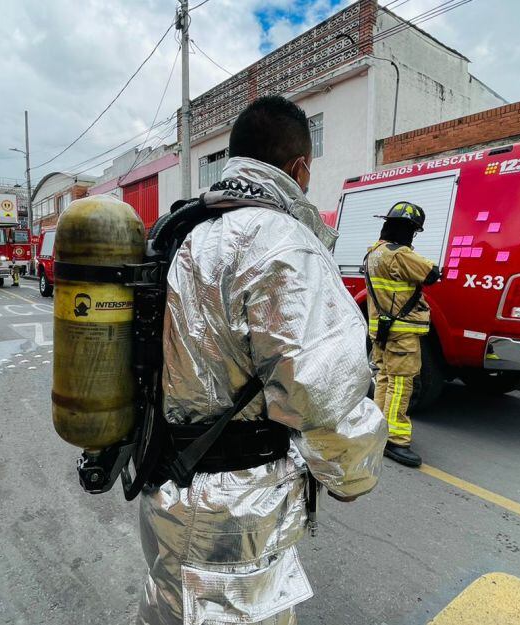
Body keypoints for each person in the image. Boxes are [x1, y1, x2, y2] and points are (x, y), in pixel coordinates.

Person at [137, 95, 388, 625]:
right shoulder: (278, 242)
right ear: (300, 168)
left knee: (168, 609)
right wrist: (352, 475)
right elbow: (325, 390)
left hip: (168, 489)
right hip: (234, 515)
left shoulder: (186, 232)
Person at [364, 202, 441, 468]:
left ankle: (379, 427)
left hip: (382, 330)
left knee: (384, 379)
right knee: (400, 384)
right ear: (407, 230)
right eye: (413, 232)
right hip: (402, 333)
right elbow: (432, 273)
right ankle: (395, 439)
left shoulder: (373, 253)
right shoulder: (398, 254)